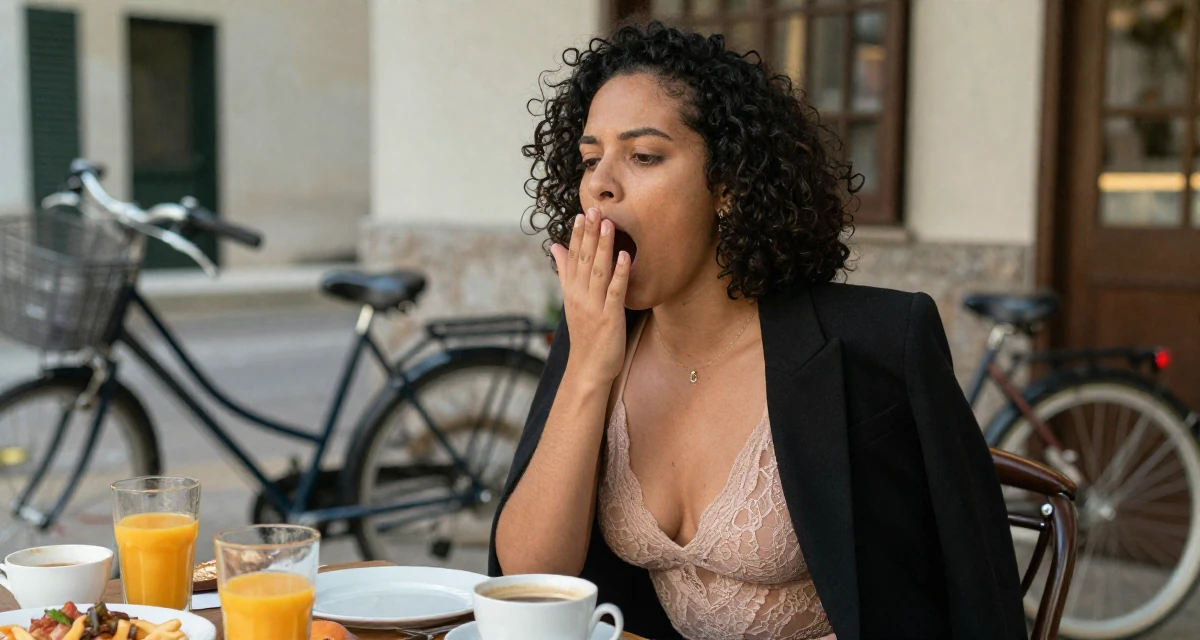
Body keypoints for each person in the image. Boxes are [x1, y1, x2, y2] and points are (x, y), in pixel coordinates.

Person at [490, 21, 1025, 640]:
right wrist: (587, 367)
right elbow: (527, 577)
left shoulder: (878, 342)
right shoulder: (597, 337)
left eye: (643, 156)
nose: (601, 184)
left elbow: (977, 589)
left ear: (727, 186)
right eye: (590, 160)